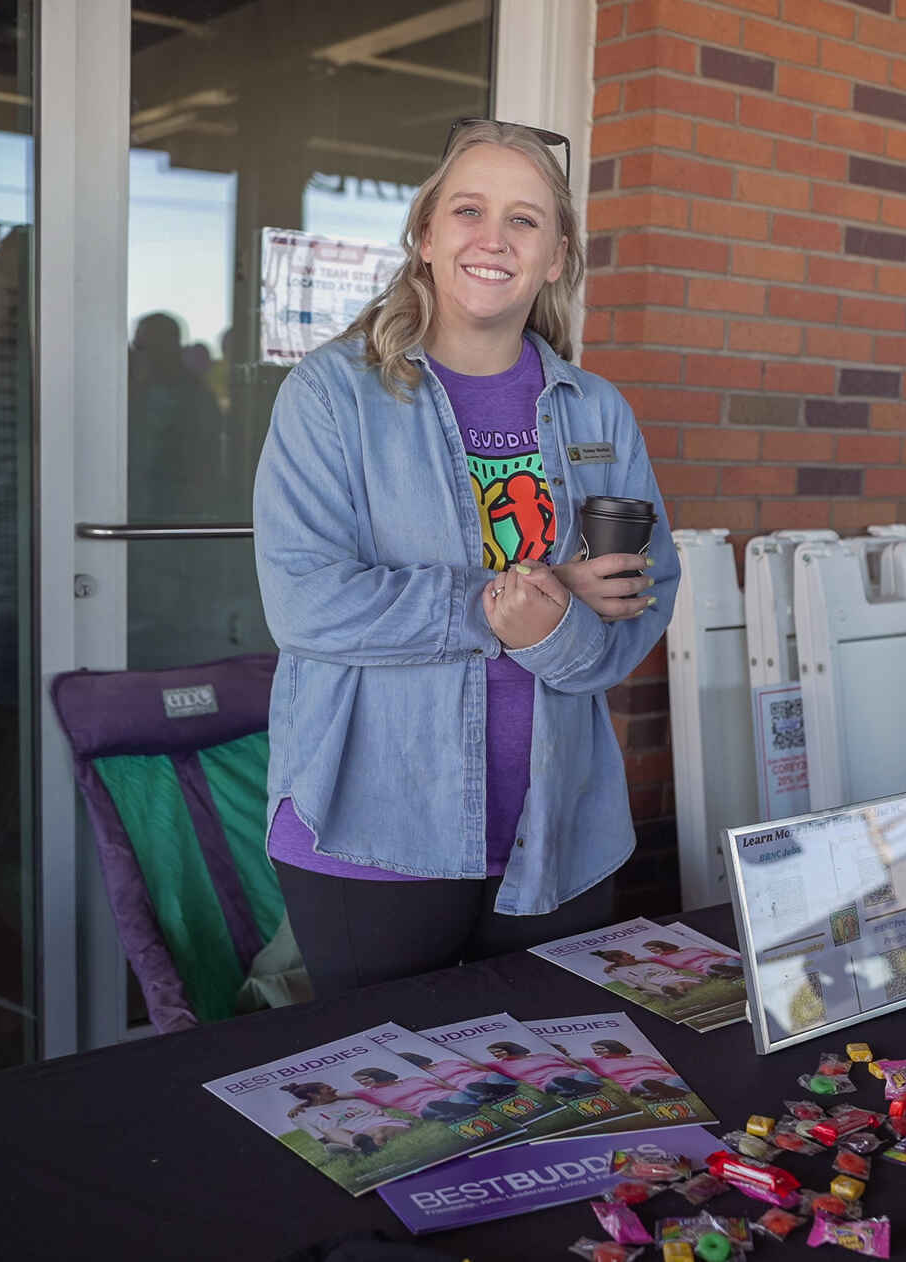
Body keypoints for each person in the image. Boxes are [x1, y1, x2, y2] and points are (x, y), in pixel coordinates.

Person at [253, 120, 679, 997]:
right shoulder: (333, 395)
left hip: (560, 832)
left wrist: (552, 634)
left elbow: (643, 595)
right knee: (388, 1112)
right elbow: (305, 603)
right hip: (373, 827)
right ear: (425, 236)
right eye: (468, 210)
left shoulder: (598, 411)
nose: (494, 238)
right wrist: (517, 599)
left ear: (556, 256)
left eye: (525, 220)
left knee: (556, 1088)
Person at [280, 1081, 411, 1158]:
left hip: (378, 1125)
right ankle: (357, 1145)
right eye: (328, 1088)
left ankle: (357, 1150)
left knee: (379, 1132)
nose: (334, 1089)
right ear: (313, 1095)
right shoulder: (301, 1116)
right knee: (332, 1131)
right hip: (351, 1134)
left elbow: (380, 1114)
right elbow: (322, 1138)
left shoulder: (352, 1101)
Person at [347, 1065, 483, 1124]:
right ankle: (461, 1109)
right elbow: (340, 1095)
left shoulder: (413, 1079)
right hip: (424, 1107)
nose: (362, 1083)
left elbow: (445, 1086)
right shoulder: (371, 1093)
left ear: (376, 1075)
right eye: (359, 1082)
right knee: (432, 1107)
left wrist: (457, 1091)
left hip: (445, 1095)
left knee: (456, 1097)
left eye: (364, 1079)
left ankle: (466, 1106)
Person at [592, 948, 704, 1000]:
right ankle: (675, 991)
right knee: (676, 983)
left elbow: (669, 967)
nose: (633, 955)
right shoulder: (615, 972)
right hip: (657, 982)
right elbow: (637, 986)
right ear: (617, 959)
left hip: (671, 977)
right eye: (628, 955)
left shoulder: (645, 962)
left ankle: (677, 991)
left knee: (687, 983)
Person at [643, 937, 744, 980]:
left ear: (662, 945)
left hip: (722, 961)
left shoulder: (691, 949)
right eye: (650, 950)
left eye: (653, 948)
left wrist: (737, 956)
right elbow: (639, 960)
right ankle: (733, 972)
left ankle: (734, 972)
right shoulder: (663, 959)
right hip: (707, 968)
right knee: (713, 969)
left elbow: (717, 953)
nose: (653, 951)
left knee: (731, 961)